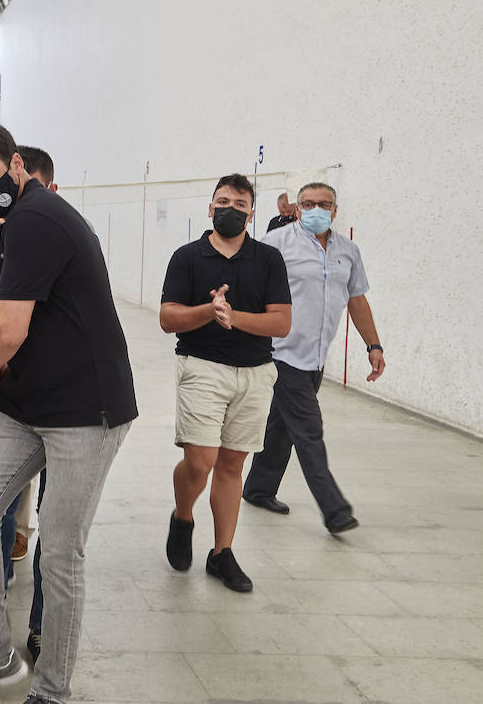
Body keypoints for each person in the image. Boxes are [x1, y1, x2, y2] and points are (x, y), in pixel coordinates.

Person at [0, 122, 136, 704]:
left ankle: (52, 690)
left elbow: (8, 329)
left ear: (17, 166)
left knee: (61, 552)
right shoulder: (16, 223)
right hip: (31, 402)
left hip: (87, 411)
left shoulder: (39, 218)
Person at [160, 173, 292, 593]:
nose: (230, 209)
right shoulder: (187, 257)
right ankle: (183, 515)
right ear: (209, 206)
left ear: (252, 212)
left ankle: (221, 553)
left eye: (239, 204)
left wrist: (233, 317)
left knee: (232, 464)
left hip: (255, 372)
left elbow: (281, 322)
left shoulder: (268, 260)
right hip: (202, 366)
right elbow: (168, 318)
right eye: (222, 201)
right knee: (201, 461)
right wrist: (209, 310)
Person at [244, 182, 383, 534]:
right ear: (297, 208)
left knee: (280, 427)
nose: (316, 209)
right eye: (308, 204)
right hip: (281, 353)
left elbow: (357, 300)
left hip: (316, 357)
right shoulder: (275, 244)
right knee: (308, 430)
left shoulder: (348, 251)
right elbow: (248, 288)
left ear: (335, 210)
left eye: (324, 204)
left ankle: (259, 488)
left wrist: (373, 346)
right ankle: (334, 509)